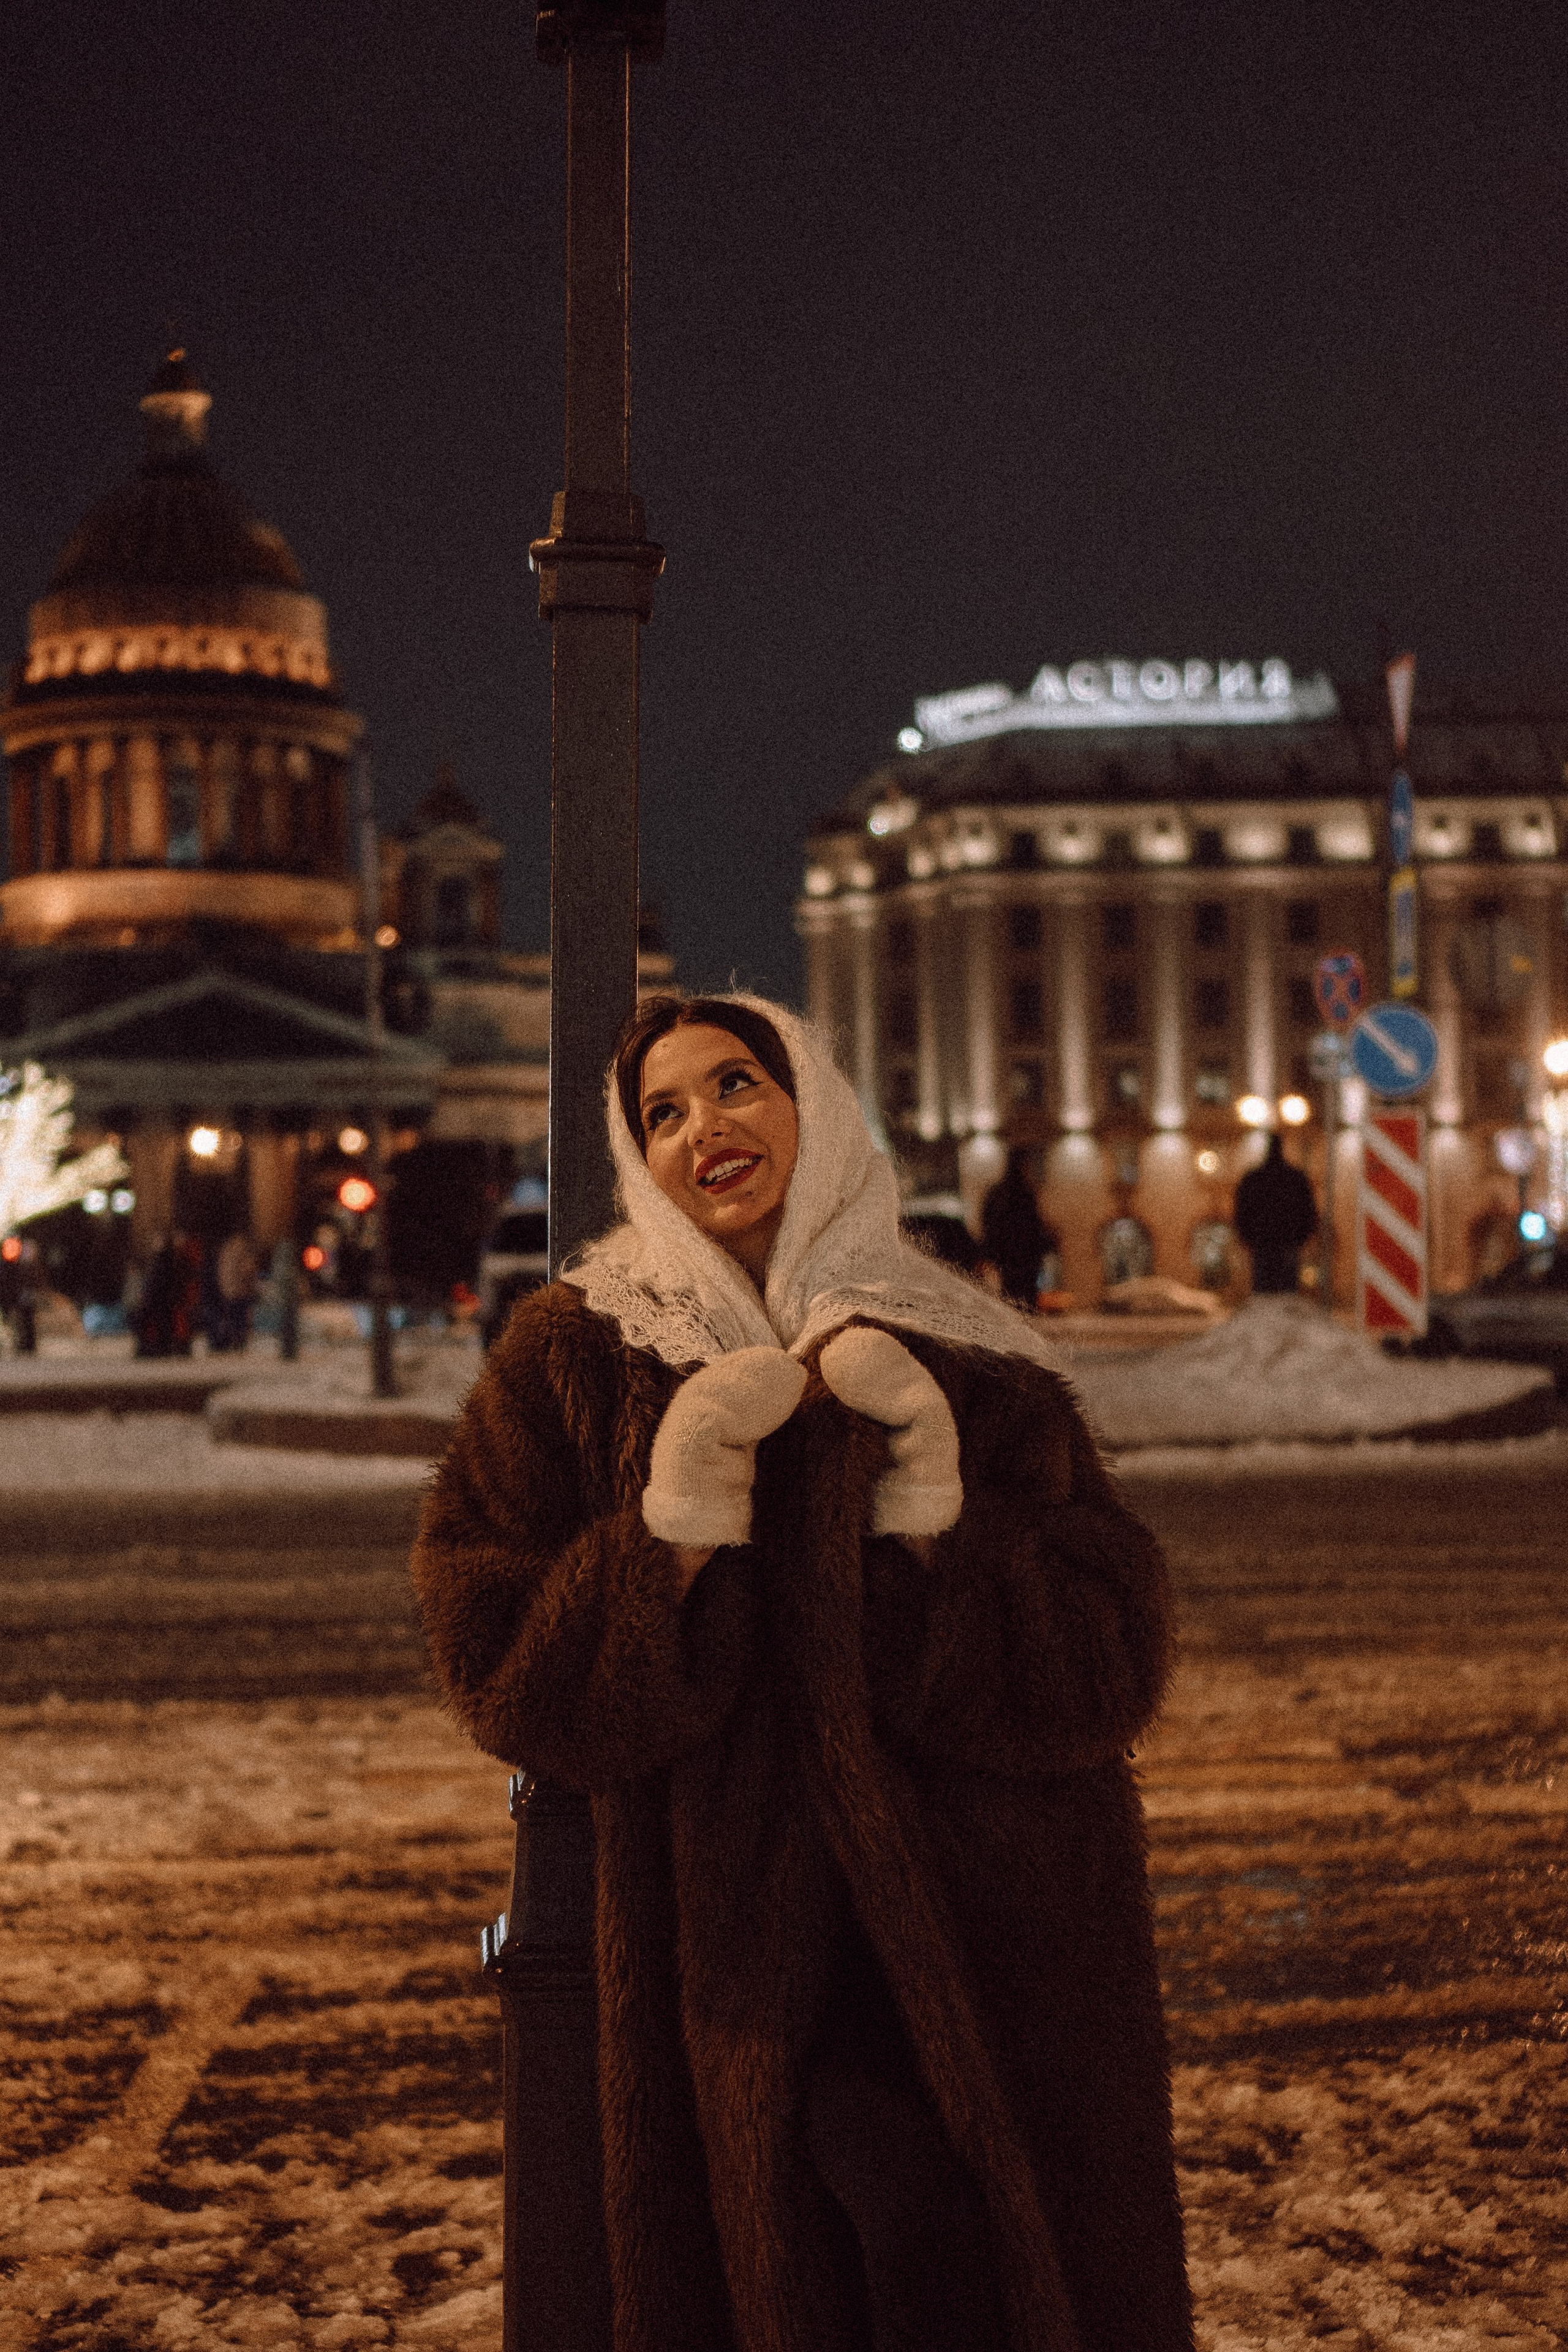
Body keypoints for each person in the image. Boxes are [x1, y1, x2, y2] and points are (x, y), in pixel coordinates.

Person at [412, 993, 1191, 2352]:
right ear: (635, 1154)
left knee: (964, 2263)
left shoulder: (963, 1350)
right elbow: (499, 1667)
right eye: (662, 1112)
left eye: (736, 1084)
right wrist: (665, 1538)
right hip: (719, 1953)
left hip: (984, 1935)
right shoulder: (573, 1359)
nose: (704, 1128)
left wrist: (936, 1517)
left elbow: (1107, 1662)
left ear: (811, 1107)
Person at [1232, 1129, 1319, 1295]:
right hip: (1288, 1245)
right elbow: (1309, 1214)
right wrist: (1300, 1239)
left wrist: (1249, 1239)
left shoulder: (1253, 1179)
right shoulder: (1296, 1178)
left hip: (1262, 1245)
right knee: (1287, 1290)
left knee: (1264, 1289)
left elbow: (1242, 1214)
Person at [981, 1145, 1060, 1310]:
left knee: (1010, 1297)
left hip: (1006, 1258)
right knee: (1025, 1299)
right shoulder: (1024, 1193)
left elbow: (988, 1225)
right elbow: (1031, 1227)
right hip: (1024, 1257)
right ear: (1023, 1166)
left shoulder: (997, 1192)